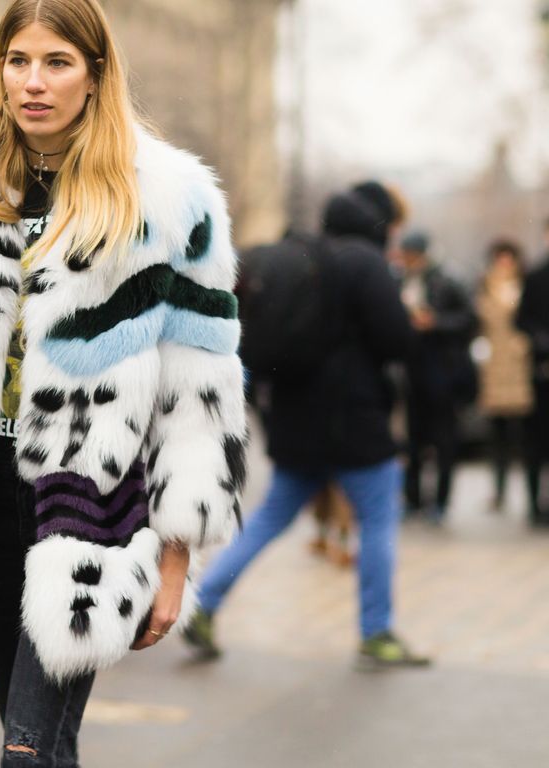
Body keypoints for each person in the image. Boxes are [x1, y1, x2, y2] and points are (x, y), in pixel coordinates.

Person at [0, 1, 246, 764]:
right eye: (18, 61)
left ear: (95, 75)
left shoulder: (167, 197)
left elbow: (201, 388)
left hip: (93, 502)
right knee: (36, 742)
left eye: (57, 62)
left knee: (23, 752)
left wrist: (176, 552)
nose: (34, 82)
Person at [184, 181, 430, 670]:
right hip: (356, 418)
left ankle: (202, 605)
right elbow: (395, 340)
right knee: (379, 520)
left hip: (295, 416)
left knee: (270, 518)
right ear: (378, 223)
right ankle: (376, 632)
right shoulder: (364, 262)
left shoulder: (296, 255)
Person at [398, 231, 477, 521]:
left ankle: (440, 501)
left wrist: (436, 323)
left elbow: (469, 319)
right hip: (413, 371)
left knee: (444, 440)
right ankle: (413, 498)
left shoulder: (450, 279)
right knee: (414, 440)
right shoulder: (402, 279)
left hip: (444, 372)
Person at [476, 239, 532, 513]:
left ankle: (528, 493)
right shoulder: (485, 285)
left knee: (523, 432)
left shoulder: (526, 284)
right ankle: (499, 490)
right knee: (497, 433)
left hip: (520, 365)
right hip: (494, 366)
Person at [516, 219, 549, 526]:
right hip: (541, 371)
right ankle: (535, 505)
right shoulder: (536, 276)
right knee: (536, 441)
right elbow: (521, 319)